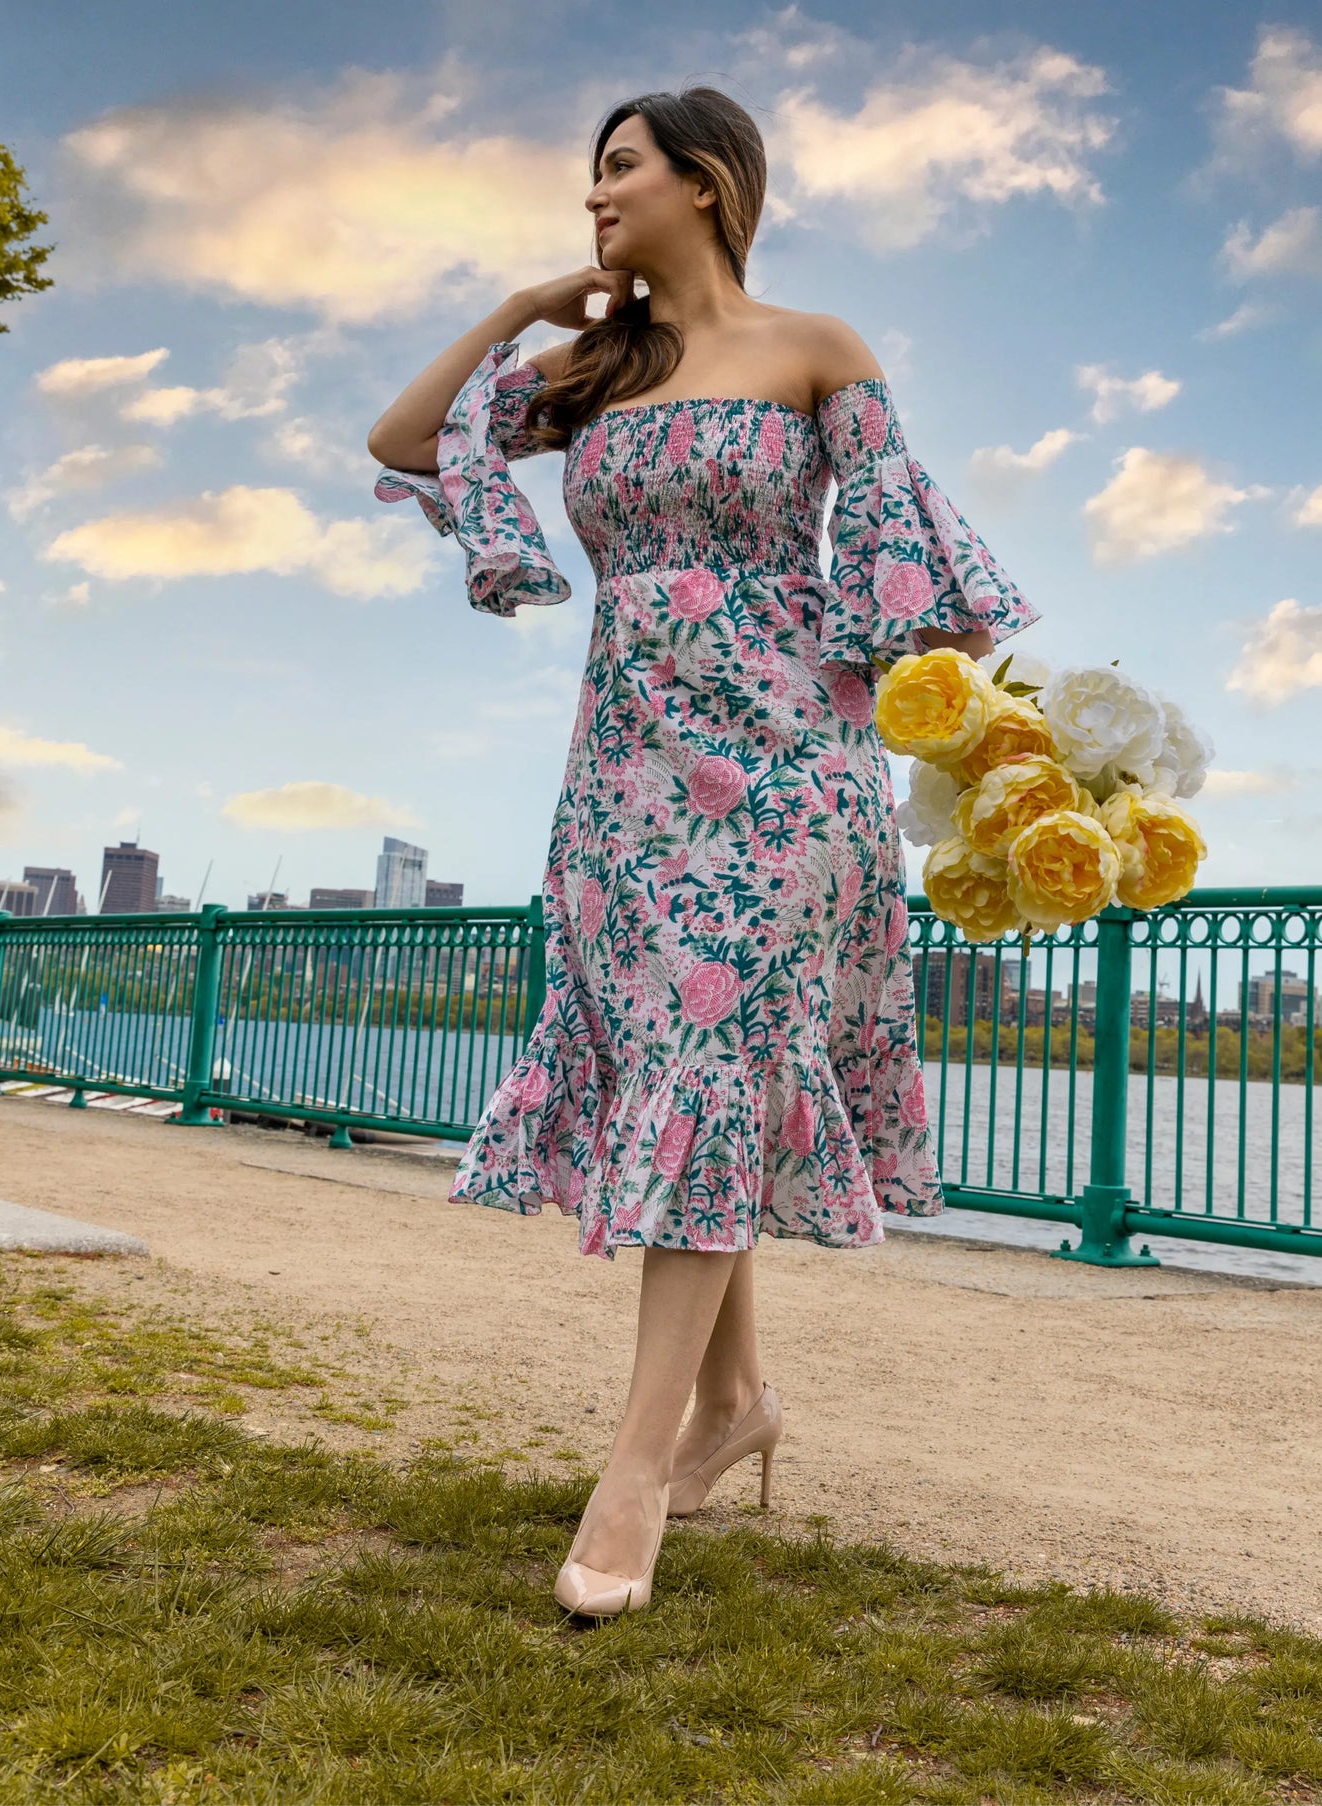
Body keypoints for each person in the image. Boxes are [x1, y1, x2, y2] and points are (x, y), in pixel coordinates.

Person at [367, 86, 1038, 1618]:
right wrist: (523, 310)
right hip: (630, 768)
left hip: (795, 763)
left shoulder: (817, 349)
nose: (596, 196)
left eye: (620, 169)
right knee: (693, 1069)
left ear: (707, 184)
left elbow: (910, 565)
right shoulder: (592, 371)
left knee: (711, 1048)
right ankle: (734, 1405)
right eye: (590, 175)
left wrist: (1003, 750)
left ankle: (633, 1467)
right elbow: (406, 440)